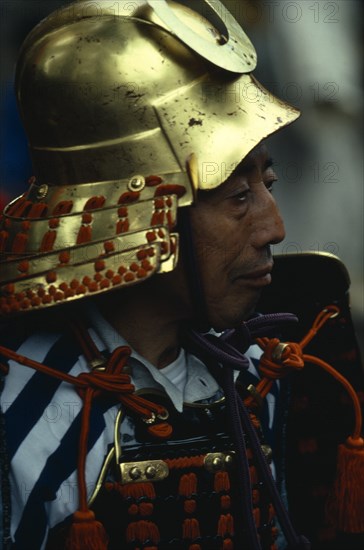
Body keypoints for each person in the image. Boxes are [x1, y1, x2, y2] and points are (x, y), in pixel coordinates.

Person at [0, 1, 363, 549]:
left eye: (270, 183)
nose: (275, 228)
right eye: (239, 197)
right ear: (140, 218)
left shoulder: (269, 369)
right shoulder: (25, 417)